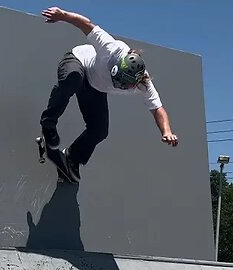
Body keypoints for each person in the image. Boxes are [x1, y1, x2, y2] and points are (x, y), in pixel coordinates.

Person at [40, 7, 178, 181]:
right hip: (78, 62)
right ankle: (49, 122)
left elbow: (158, 108)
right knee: (73, 79)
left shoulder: (143, 81)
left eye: (127, 86)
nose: (122, 87)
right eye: (119, 81)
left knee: (100, 130)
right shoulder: (111, 47)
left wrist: (166, 131)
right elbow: (86, 24)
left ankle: (73, 158)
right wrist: (62, 15)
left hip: (95, 88)